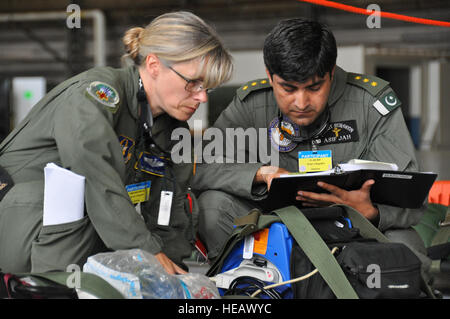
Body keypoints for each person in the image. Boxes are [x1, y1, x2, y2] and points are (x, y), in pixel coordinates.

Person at [0, 11, 233, 274]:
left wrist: (173, 273)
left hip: (71, 235)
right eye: (193, 83)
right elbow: (97, 180)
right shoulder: (95, 96)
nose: (202, 98)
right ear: (155, 65)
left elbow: (168, 204)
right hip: (24, 219)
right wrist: (149, 253)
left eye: (208, 87)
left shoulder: (167, 127)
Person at [193, 17, 430, 269]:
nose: (301, 102)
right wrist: (259, 174)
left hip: (353, 231)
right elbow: (200, 169)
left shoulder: (371, 105)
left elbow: (414, 198)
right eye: (288, 88)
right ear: (270, 76)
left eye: (314, 87)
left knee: (405, 248)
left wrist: (371, 211)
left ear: (331, 72)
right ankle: (249, 287)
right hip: (275, 232)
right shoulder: (251, 104)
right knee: (212, 207)